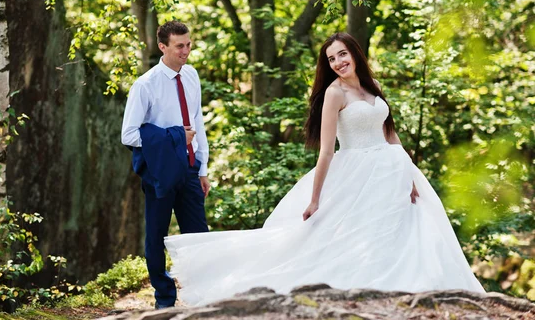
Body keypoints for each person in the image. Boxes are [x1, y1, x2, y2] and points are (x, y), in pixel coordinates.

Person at [165, 32, 485, 307]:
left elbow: (390, 133)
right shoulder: (334, 94)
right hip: (357, 171)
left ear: (354, 54)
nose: (338, 62)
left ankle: (415, 287)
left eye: (342, 54)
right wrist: (315, 199)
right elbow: (327, 151)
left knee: (411, 226)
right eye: (331, 58)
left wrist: (409, 173)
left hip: (392, 168)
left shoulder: (372, 85)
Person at [121, 20, 211, 309]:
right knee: (156, 235)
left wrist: (203, 167)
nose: (186, 51)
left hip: (189, 168)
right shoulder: (145, 85)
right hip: (160, 170)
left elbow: (198, 121)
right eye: (179, 46)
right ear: (163, 47)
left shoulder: (192, 75)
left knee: (199, 236)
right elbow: (129, 134)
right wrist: (174, 136)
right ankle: (164, 299)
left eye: (188, 44)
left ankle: (202, 295)